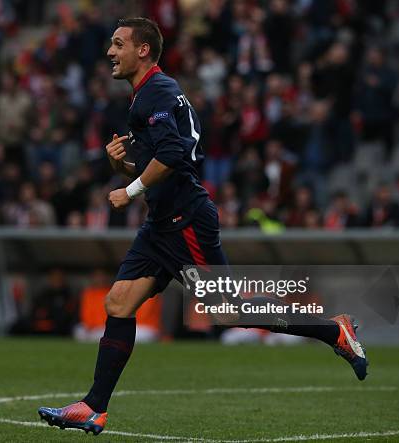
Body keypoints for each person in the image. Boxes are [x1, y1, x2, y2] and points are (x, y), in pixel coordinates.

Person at [38, 18, 368, 436]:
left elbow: (174, 155)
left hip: (184, 221)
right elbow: (160, 159)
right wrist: (121, 165)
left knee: (228, 311)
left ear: (143, 50)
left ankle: (330, 330)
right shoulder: (151, 92)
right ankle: (93, 407)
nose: (109, 51)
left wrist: (130, 189)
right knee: (119, 304)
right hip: (161, 224)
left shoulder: (154, 92)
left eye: (118, 44)